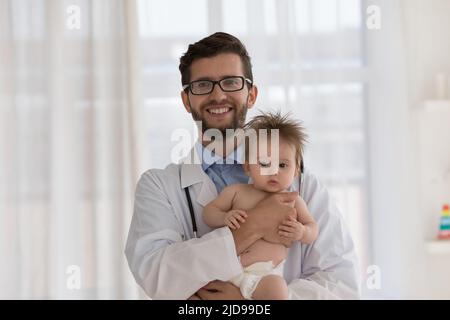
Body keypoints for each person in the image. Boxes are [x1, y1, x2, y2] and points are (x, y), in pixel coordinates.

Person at [125, 32, 360, 300]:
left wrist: (250, 302)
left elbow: (343, 287)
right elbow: (156, 276)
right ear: (186, 100)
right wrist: (252, 227)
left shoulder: (303, 185)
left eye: (231, 82)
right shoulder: (159, 187)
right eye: (203, 85)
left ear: (251, 94)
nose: (218, 94)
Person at [202, 111, 318, 300]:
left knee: (278, 291)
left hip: (263, 277)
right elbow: (208, 212)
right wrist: (224, 217)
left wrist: (302, 232)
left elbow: (313, 228)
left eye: (282, 165)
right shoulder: (237, 192)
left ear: (296, 171)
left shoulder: (294, 200)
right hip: (227, 272)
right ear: (247, 166)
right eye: (264, 163)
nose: (273, 171)